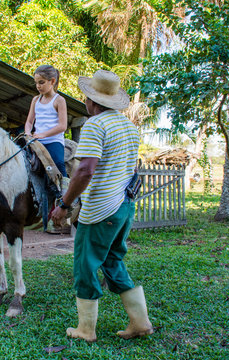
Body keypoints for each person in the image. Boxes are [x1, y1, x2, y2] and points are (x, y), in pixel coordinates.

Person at [50, 70, 154, 342]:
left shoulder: (95, 125)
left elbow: (85, 171)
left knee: (85, 264)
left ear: (90, 100)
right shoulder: (129, 127)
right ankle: (140, 322)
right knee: (112, 260)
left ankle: (85, 330)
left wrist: (64, 204)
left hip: (101, 210)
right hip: (124, 206)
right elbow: (129, 168)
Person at [25, 65, 69, 233]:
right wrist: (28, 133)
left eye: (41, 82)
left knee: (57, 163)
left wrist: (42, 135)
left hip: (53, 140)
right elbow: (29, 121)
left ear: (52, 81)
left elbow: (62, 126)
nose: (38, 86)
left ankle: (64, 198)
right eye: (36, 83)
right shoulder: (35, 100)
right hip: (36, 139)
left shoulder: (59, 100)